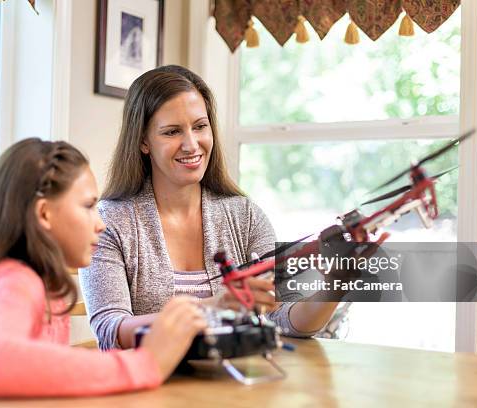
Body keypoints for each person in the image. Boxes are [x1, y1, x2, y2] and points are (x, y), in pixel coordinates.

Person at [0, 138, 206, 397]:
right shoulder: (15, 281)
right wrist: (144, 364)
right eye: (88, 206)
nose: (100, 224)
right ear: (44, 213)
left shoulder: (40, 285)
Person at [80, 65, 339, 351]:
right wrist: (212, 308)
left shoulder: (245, 215)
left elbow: (283, 319)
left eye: (200, 126)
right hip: (148, 387)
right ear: (143, 141)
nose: (191, 144)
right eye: (172, 132)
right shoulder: (110, 221)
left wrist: (335, 285)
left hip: (235, 388)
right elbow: (110, 330)